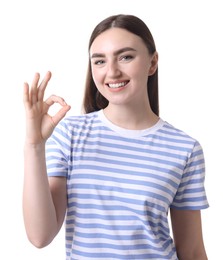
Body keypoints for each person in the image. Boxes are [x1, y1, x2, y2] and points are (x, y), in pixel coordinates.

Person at [23, 14, 209, 260]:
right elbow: (40, 236)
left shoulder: (184, 149)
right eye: (99, 61)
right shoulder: (71, 134)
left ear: (152, 63)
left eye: (126, 57)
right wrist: (34, 146)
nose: (112, 71)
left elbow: (193, 251)